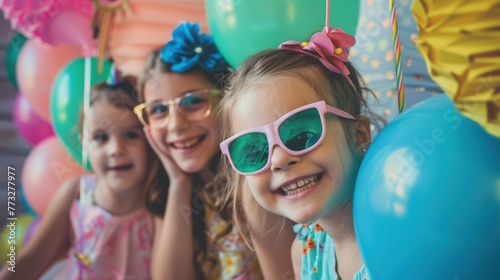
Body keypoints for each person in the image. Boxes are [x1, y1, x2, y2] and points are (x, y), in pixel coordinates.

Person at [218, 26, 384, 279]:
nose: (279, 160)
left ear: (359, 133)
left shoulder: (398, 230)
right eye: (253, 152)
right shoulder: (305, 253)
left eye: (301, 135)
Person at [135, 22, 295, 279]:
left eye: (193, 101)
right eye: (158, 110)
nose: (175, 124)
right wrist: (179, 183)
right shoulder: (165, 190)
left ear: (225, 101)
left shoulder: (253, 187)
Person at [0, 69, 165, 280]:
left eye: (131, 135)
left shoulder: (158, 200)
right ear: (84, 144)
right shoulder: (77, 192)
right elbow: (30, 260)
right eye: (101, 137)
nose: (116, 149)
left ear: (149, 140)